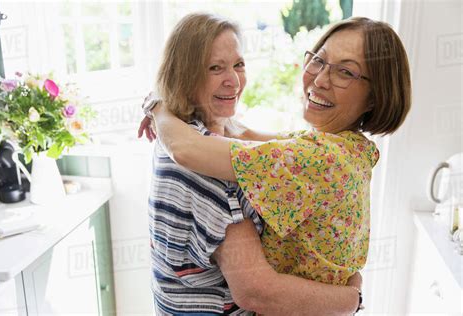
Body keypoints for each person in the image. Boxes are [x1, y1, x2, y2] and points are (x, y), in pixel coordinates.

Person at [142, 15, 411, 291]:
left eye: (345, 72)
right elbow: (245, 136)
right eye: (318, 59)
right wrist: (166, 96)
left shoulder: (319, 159)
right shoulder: (349, 146)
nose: (319, 79)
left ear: (375, 96)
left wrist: (158, 107)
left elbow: (186, 148)